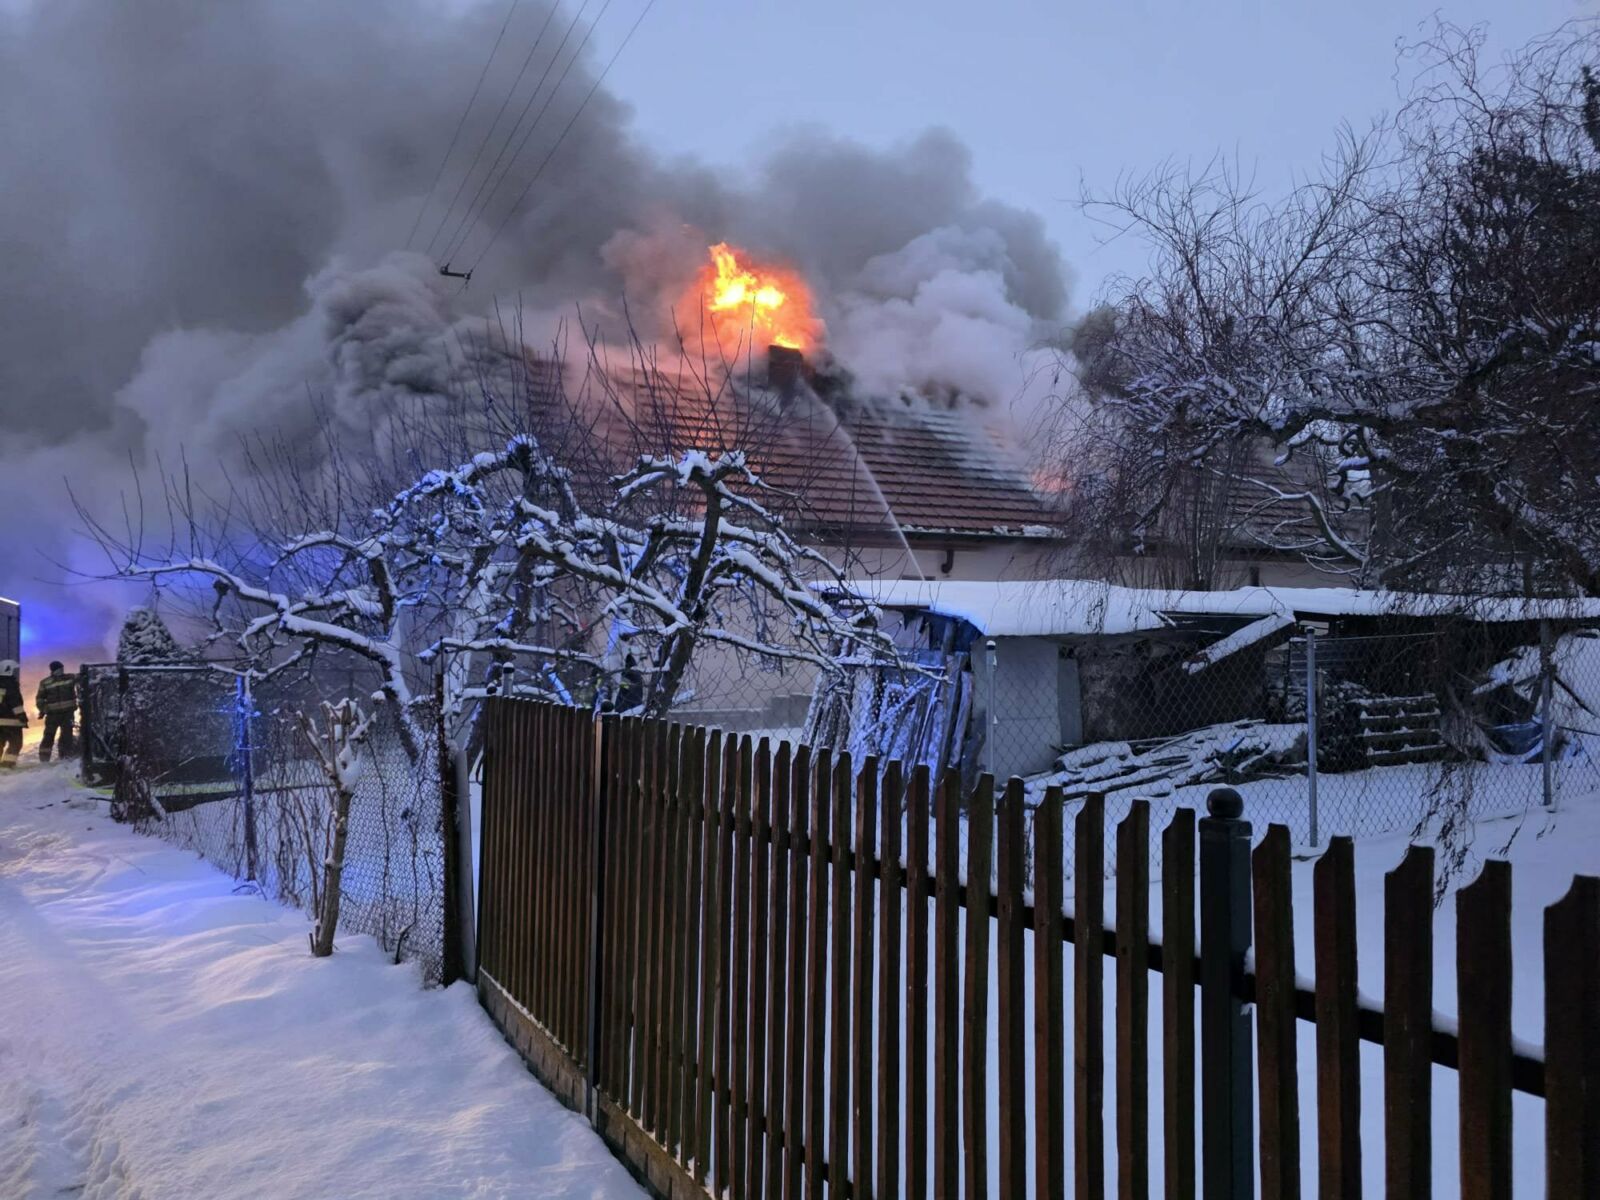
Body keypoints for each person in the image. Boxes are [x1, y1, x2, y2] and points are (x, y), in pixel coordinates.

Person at [36, 660, 77, 762]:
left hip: (67, 714)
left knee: (67, 736)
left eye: (61, 668)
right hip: (52, 715)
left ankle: (65, 757)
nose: (61, 671)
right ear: (53, 670)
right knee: (49, 736)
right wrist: (44, 709)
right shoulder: (45, 682)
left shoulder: (70, 678)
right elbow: (40, 699)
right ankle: (44, 760)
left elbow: (81, 677)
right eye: (59, 669)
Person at [0, 661, 27, 768]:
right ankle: (7, 765)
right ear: (8, 670)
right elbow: (15, 702)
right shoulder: (10, 684)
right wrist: (22, 716)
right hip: (11, 721)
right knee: (16, 743)